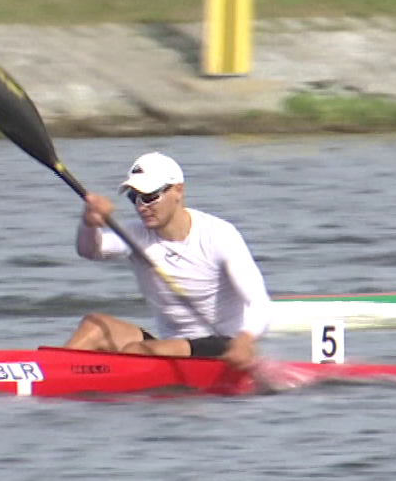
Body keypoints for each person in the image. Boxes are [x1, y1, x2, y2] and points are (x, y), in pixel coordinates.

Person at [65, 151, 272, 368]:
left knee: (137, 351)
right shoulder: (136, 235)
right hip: (168, 347)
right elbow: (90, 250)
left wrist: (244, 341)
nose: (140, 207)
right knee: (94, 325)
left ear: (177, 191)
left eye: (149, 196)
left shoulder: (219, 235)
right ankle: (55, 372)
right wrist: (89, 223)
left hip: (224, 346)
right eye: (133, 197)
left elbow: (260, 303)